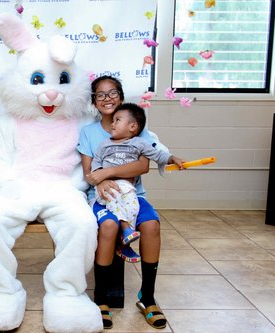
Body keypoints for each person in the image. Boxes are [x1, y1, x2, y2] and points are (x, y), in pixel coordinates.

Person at [77, 75, 183, 330]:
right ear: (94, 101)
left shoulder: (138, 129)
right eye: (100, 94)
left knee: (151, 226)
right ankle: (101, 299)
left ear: (121, 96)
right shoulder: (89, 133)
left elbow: (143, 165)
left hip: (134, 196)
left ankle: (147, 298)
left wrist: (107, 173)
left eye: (112, 93)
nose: (107, 99)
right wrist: (99, 181)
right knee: (109, 228)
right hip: (102, 198)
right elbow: (90, 173)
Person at [91, 102, 182, 261]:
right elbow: (96, 165)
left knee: (132, 205)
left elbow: (158, 155)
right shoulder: (104, 145)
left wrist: (172, 158)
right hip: (107, 188)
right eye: (112, 120)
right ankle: (126, 230)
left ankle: (125, 239)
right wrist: (100, 179)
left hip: (127, 188)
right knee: (115, 199)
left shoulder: (139, 144)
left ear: (132, 127)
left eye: (117, 120)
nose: (112, 124)